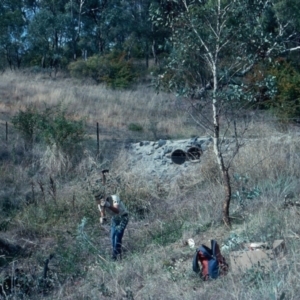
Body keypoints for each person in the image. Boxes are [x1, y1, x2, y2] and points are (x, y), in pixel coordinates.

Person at [95, 193, 129, 261]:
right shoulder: (100, 204)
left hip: (123, 217)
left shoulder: (114, 198)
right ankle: (116, 255)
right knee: (113, 237)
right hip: (115, 219)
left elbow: (117, 210)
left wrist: (108, 205)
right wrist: (102, 218)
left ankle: (116, 257)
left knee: (118, 236)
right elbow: (102, 213)